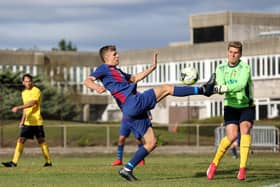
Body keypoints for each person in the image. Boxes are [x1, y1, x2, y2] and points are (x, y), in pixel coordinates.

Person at [84, 45, 215, 182]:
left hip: (130, 110)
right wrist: (96, 87)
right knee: (166, 88)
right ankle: (204, 90)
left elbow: (134, 78)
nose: (118, 56)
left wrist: (152, 68)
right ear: (106, 58)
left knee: (151, 143)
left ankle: (127, 168)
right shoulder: (104, 68)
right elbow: (87, 80)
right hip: (132, 102)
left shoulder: (117, 71)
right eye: (114, 54)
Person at [206, 41, 255, 181]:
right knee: (232, 136)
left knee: (245, 129)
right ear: (227, 52)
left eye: (236, 53)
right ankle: (214, 164)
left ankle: (242, 169)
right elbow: (221, 84)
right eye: (231, 52)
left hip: (246, 104)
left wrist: (220, 88)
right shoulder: (220, 68)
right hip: (230, 106)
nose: (233, 55)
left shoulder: (245, 67)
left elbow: (240, 85)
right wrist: (215, 88)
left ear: (240, 54)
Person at [2, 74, 52, 167]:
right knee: (21, 140)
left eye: (29, 81)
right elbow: (26, 108)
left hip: (37, 121)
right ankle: (14, 162)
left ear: (31, 82)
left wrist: (18, 107)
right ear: (23, 82)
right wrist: (22, 121)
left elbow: (33, 103)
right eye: (26, 81)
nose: (28, 83)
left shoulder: (36, 90)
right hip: (28, 122)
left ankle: (48, 162)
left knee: (41, 141)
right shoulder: (23, 93)